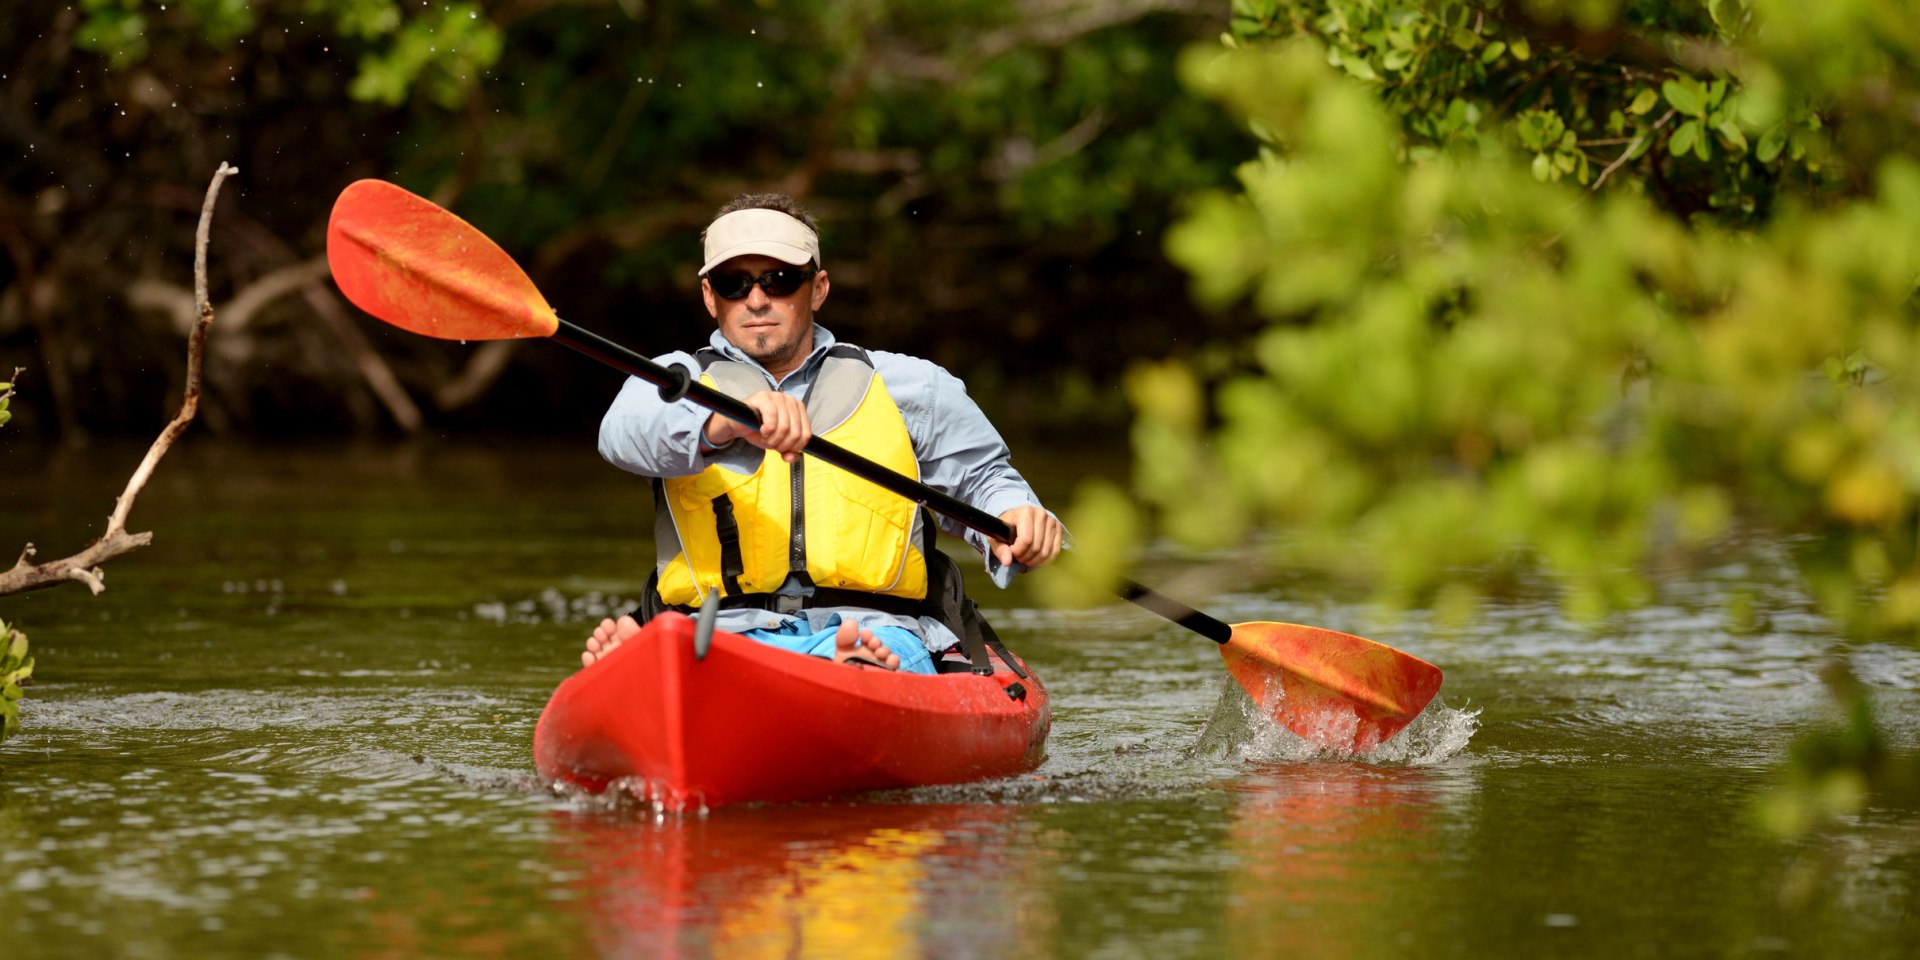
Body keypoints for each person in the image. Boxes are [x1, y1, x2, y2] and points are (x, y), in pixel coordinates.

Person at [581, 193, 1065, 673]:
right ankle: (659, 661)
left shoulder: (911, 386)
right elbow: (621, 437)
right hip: (719, 631)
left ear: (818, 288)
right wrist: (722, 422)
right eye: (734, 284)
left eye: (780, 280)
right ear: (710, 296)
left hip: (874, 626)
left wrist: (1014, 516)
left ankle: (852, 668)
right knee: (699, 646)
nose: (756, 299)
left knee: (871, 649)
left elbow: (984, 480)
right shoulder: (673, 382)